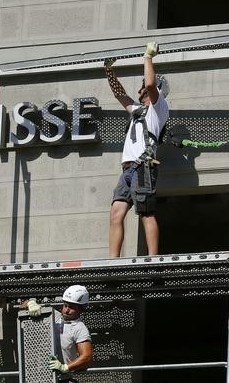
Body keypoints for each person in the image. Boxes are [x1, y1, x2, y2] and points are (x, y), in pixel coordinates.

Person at [104, 41, 169, 256]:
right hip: (128, 170)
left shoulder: (158, 109)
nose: (141, 88)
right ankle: (113, 259)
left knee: (146, 212)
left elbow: (151, 85)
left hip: (143, 166)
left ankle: (152, 257)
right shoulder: (138, 110)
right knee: (116, 213)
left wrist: (148, 58)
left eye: (144, 87)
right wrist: (108, 70)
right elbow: (119, 94)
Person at [26, 285, 93, 379]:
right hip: (40, 376)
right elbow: (23, 304)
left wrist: (64, 367)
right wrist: (30, 304)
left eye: (71, 307)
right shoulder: (53, 316)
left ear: (81, 309)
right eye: (65, 305)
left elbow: (87, 357)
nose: (66, 310)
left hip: (62, 379)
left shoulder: (80, 329)